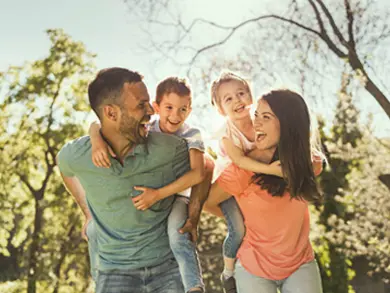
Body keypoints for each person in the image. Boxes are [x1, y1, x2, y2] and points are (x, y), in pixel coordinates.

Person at [57, 67, 202, 293]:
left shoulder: (169, 148)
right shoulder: (77, 155)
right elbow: (64, 168)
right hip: (114, 273)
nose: (151, 112)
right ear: (111, 113)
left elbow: (205, 170)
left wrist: (193, 216)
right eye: (140, 105)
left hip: (167, 270)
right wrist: (87, 212)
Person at [89, 76, 212, 292]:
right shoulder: (147, 127)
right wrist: (96, 140)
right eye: (169, 107)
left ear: (190, 111)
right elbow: (99, 123)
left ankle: (193, 286)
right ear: (156, 107)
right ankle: (99, 276)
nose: (175, 115)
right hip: (149, 195)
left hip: (176, 196)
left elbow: (198, 173)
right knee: (93, 229)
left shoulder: (191, 135)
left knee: (177, 233)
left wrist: (157, 194)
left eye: (183, 109)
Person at [205, 89, 324, 293]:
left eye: (266, 117)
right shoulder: (242, 170)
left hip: (300, 264)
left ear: (288, 123)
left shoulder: (310, 163)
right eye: (256, 115)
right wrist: (241, 224)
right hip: (254, 267)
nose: (256, 123)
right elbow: (208, 203)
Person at [205, 71, 283, 293]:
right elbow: (239, 161)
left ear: (251, 96)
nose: (237, 100)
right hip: (228, 186)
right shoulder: (226, 133)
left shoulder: (261, 121)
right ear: (220, 109)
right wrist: (269, 169)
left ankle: (259, 266)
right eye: (228, 99)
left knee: (258, 225)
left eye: (241, 93)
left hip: (250, 184)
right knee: (238, 229)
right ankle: (228, 272)